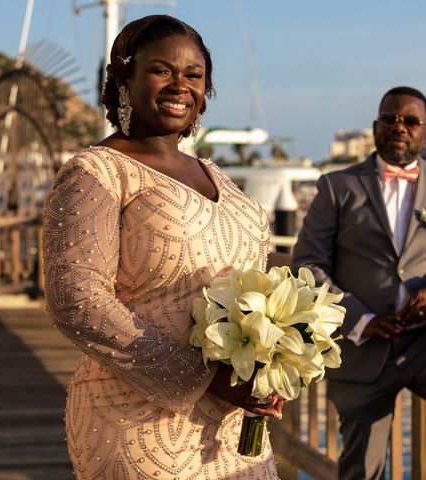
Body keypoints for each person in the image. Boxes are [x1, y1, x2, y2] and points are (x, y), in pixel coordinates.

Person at [43, 15, 282, 479]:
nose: (180, 84)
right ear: (123, 80)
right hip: (139, 421)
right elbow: (77, 301)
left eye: (194, 74)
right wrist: (205, 377)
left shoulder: (219, 176)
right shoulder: (97, 172)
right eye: (162, 70)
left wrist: (273, 360)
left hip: (234, 429)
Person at [292, 86, 426, 480]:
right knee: (362, 468)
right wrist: (360, 318)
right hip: (361, 343)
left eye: (410, 121)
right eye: (389, 118)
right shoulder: (337, 186)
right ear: (375, 127)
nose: (398, 126)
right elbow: (308, 264)